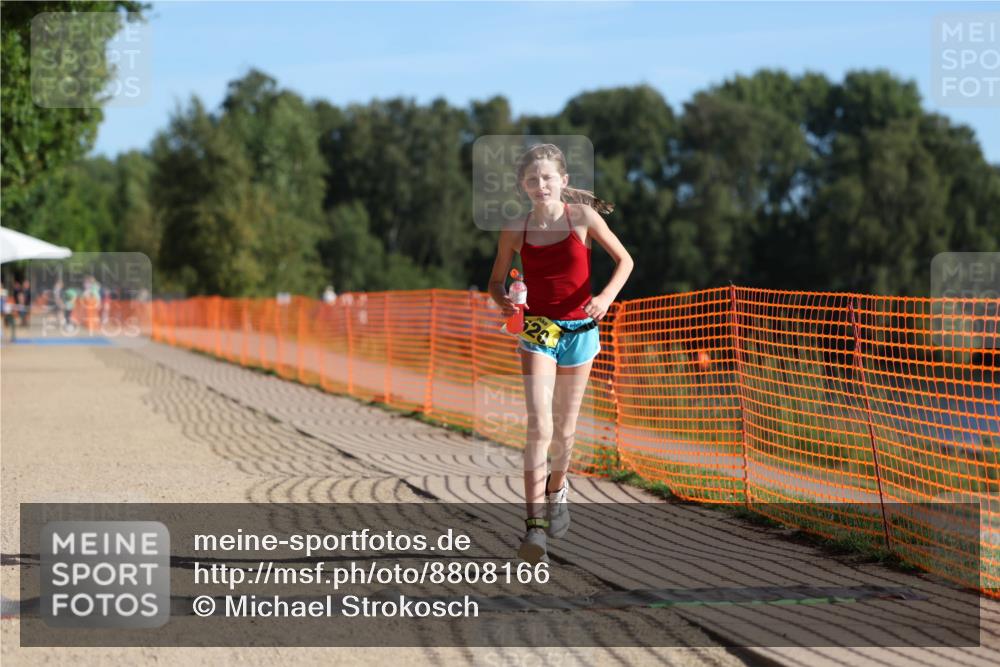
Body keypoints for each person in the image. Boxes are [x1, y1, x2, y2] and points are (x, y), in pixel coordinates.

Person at [488, 143, 634, 564]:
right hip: (537, 329)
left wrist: (606, 296)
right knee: (540, 424)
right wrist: (506, 302)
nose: (541, 185)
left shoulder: (583, 218)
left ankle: (558, 489)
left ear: (563, 181)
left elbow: (625, 261)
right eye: (532, 180)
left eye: (548, 178)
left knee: (566, 429)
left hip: (582, 330)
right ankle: (534, 530)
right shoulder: (515, 229)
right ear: (522, 185)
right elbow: (495, 282)